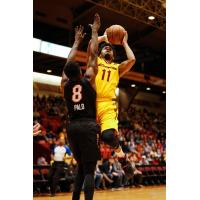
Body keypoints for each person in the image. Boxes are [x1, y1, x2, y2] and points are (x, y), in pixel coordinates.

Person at [61, 13, 101, 200]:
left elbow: (68, 63)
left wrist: (76, 43)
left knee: (81, 168)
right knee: (89, 171)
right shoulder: (88, 79)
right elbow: (93, 54)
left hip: (72, 127)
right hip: (87, 125)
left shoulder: (64, 84)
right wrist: (94, 32)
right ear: (80, 71)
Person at [87, 26, 136, 158]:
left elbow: (132, 60)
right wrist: (104, 38)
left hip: (108, 105)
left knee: (108, 136)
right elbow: (91, 44)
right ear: (99, 53)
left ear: (113, 55)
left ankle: (120, 152)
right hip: (90, 104)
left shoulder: (117, 68)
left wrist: (124, 42)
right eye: (104, 47)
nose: (107, 47)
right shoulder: (95, 61)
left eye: (110, 48)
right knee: (89, 148)